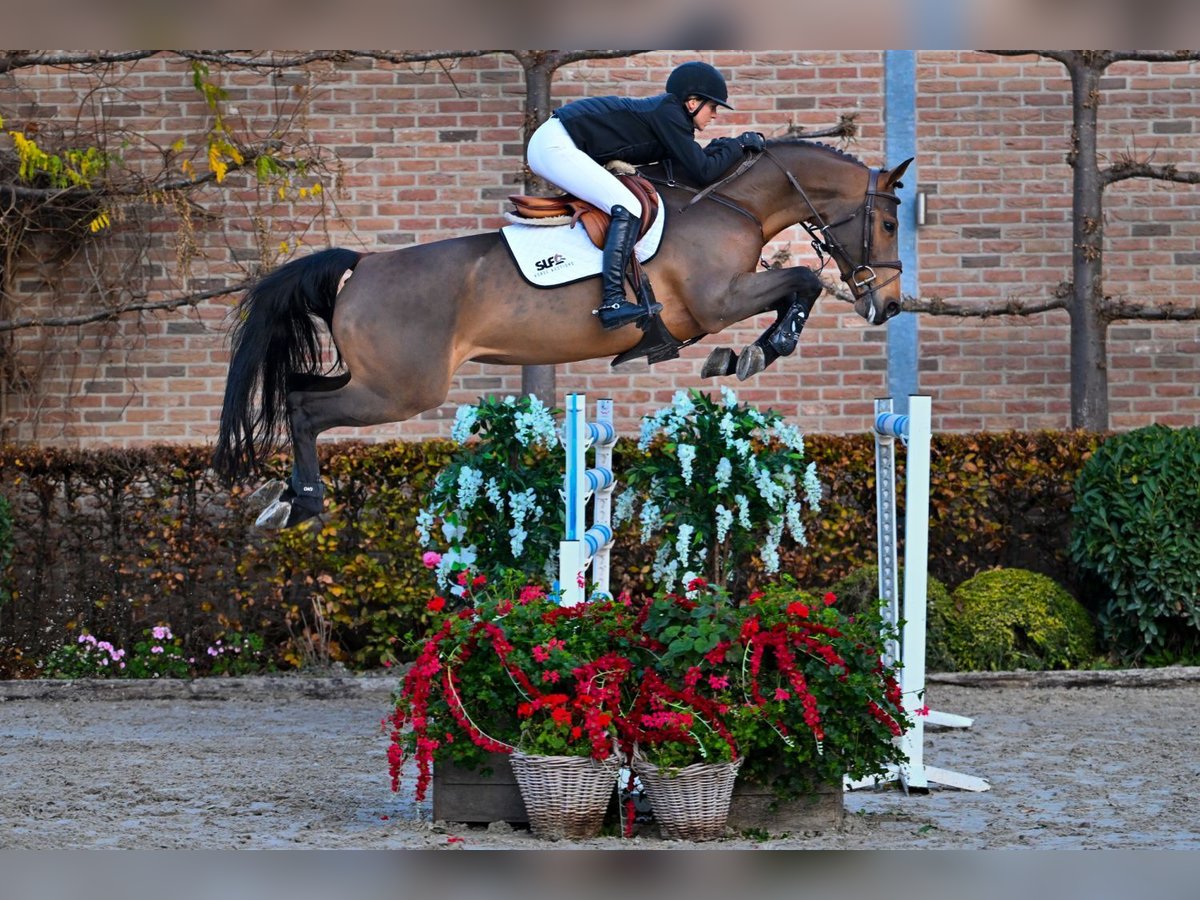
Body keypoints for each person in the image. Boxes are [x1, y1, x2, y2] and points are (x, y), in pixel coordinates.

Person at [526, 60, 765, 330]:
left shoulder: (670, 117)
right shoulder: (669, 114)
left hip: (559, 143)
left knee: (624, 203)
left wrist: (727, 147)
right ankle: (612, 301)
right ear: (692, 102)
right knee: (627, 206)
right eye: (712, 106)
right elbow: (703, 171)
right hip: (555, 145)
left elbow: (691, 164)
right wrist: (739, 144)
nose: (715, 114)